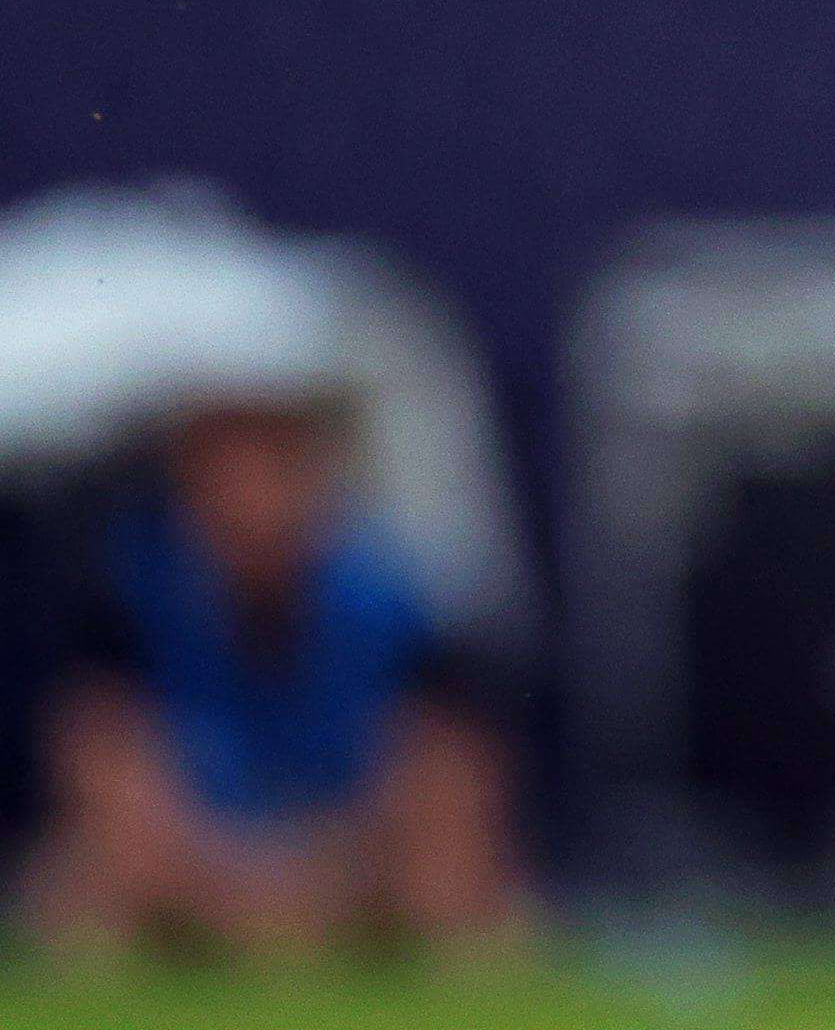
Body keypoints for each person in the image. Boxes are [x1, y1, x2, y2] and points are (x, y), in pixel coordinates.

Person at [21, 385, 528, 960]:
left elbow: (452, 792)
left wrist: (325, 882)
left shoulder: (400, 599)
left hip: (352, 868)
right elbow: (109, 786)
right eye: (227, 469)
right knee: (83, 902)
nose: (252, 499)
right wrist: (240, 894)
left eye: (275, 464)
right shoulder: (119, 596)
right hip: (195, 872)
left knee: (459, 893)